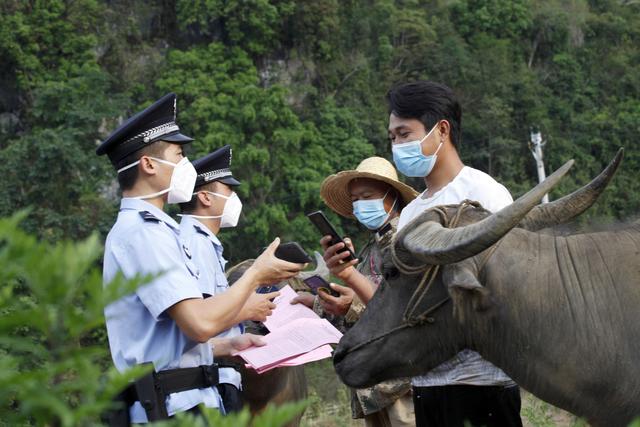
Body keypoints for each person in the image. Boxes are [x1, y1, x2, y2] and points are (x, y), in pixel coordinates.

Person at [96, 93, 305, 424]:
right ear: (149, 164)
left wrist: (230, 344)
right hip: (174, 408)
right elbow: (201, 322)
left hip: (188, 400)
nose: (187, 167)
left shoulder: (159, 232)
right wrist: (256, 275)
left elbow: (172, 342)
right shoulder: (143, 233)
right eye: (179, 156)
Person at [387, 81, 522, 427]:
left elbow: (508, 286)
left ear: (441, 130)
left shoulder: (486, 194)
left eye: (405, 134)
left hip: (483, 381)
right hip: (427, 382)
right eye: (393, 138)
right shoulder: (411, 213)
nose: (398, 145)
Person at [295, 156, 418, 427]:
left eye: (368, 196)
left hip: (402, 382)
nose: (361, 204)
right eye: (356, 199)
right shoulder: (369, 248)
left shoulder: (409, 242)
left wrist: (349, 278)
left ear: (392, 197)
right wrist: (318, 302)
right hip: (375, 383)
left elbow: (402, 311)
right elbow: (359, 306)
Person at [177, 145, 281, 413]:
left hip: (218, 376)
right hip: (206, 379)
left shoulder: (205, 243)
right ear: (205, 197)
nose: (235, 198)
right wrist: (247, 308)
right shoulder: (194, 243)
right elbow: (201, 319)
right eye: (228, 191)